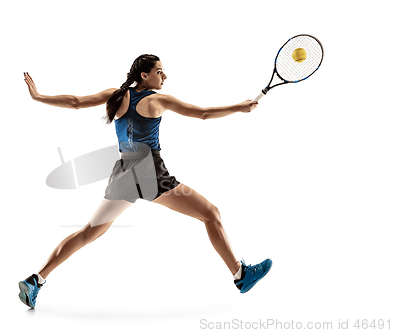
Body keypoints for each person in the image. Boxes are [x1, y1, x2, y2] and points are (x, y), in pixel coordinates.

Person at [19, 54, 272, 309]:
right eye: (159, 71)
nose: (164, 76)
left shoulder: (116, 95)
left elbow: (75, 103)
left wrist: (39, 96)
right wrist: (238, 108)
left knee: (88, 233)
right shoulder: (157, 100)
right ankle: (241, 275)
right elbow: (203, 114)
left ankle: (36, 280)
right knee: (211, 213)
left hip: (124, 171)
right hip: (149, 171)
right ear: (144, 75)